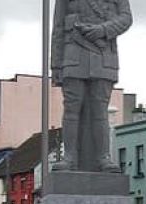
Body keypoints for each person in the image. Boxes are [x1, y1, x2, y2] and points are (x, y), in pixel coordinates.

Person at [50, 0, 132, 172]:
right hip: (73, 54)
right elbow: (58, 27)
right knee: (72, 109)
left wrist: (103, 30)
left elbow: (126, 18)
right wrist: (56, 64)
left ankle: (103, 158)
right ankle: (69, 157)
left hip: (103, 55)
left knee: (100, 110)